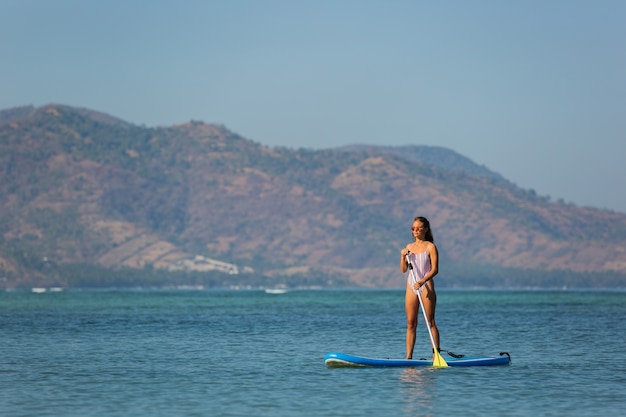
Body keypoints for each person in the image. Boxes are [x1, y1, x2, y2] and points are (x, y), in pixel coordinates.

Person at [400, 216, 440, 360]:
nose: (415, 230)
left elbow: (435, 269)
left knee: (430, 322)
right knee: (411, 322)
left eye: (418, 228)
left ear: (426, 229)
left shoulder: (430, 247)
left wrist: (423, 281)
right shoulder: (409, 247)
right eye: (413, 228)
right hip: (411, 286)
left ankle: (436, 355)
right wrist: (402, 256)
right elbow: (403, 269)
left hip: (426, 285)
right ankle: (408, 357)